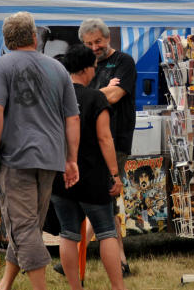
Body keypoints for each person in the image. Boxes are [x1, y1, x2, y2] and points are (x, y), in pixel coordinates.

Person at [0, 11, 80, 290]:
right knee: (30, 226)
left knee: (23, 227)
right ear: (35, 38)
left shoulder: (1, 65)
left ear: (6, 40)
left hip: (16, 157)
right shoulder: (58, 68)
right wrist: (71, 160)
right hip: (50, 157)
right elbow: (73, 118)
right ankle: (4, 285)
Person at [51, 44, 126, 290]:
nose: (96, 70)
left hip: (61, 175)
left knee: (68, 233)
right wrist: (115, 175)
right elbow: (105, 139)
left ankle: (75, 287)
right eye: (94, 66)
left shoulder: (56, 98)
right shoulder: (95, 98)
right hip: (92, 176)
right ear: (85, 69)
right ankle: (118, 287)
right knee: (106, 232)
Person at [77, 18, 136, 276]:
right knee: (106, 200)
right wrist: (101, 92)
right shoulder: (85, 64)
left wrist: (91, 95)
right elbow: (76, 97)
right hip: (89, 141)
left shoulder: (123, 62)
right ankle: (121, 262)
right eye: (88, 43)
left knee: (103, 196)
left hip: (116, 141)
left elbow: (115, 95)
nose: (94, 47)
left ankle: (77, 251)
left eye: (98, 41)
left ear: (108, 38)